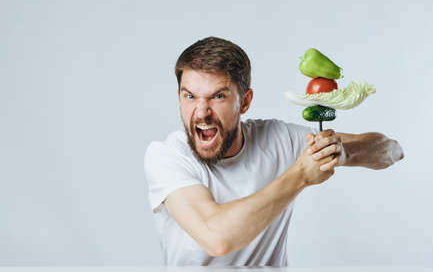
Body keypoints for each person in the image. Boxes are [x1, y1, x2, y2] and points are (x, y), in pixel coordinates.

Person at [144, 37, 404, 266]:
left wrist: (343, 153)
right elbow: (217, 237)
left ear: (244, 102)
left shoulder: (278, 139)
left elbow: (392, 150)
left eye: (218, 97)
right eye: (190, 96)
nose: (201, 112)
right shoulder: (167, 156)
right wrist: (301, 175)